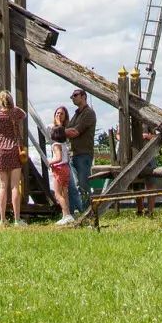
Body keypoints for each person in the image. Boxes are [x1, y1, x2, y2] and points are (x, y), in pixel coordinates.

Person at [0, 89, 28, 226]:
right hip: (13, 148)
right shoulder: (15, 112)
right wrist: (13, 106)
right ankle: (17, 219)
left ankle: (2, 219)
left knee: (3, 186)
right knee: (15, 186)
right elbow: (24, 114)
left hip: (1, 150)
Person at [64, 88, 97, 218]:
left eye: (75, 95)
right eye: (72, 96)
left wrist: (58, 131)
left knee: (83, 185)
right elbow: (69, 130)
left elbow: (74, 132)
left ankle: (88, 213)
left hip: (84, 154)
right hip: (74, 154)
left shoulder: (89, 113)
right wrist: (64, 130)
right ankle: (76, 212)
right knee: (73, 185)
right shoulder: (76, 114)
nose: (73, 97)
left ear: (84, 96)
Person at [47, 106, 75, 224]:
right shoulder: (64, 144)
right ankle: (66, 215)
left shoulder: (56, 145)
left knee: (58, 194)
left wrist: (50, 162)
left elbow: (57, 158)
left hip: (59, 169)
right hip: (66, 168)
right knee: (65, 193)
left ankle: (67, 214)